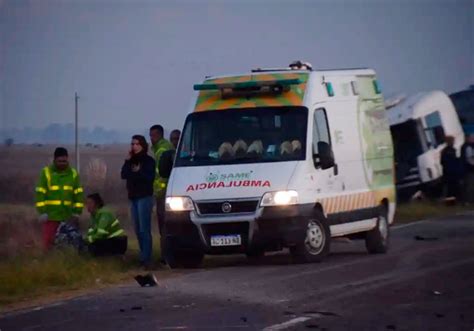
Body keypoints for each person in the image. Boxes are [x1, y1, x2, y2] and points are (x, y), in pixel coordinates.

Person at [35, 147, 84, 250]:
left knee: (68, 244)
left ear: (68, 159)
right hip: (51, 216)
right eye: (60, 161)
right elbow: (40, 194)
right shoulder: (46, 173)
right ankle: (48, 262)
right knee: (48, 244)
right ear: (54, 160)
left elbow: (78, 195)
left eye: (64, 161)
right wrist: (42, 212)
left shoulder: (73, 174)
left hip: (68, 217)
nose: (62, 163)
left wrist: (77, 212)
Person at [121, 135, 155, 268]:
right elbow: (123, 174)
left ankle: (146, 258)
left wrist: (135, 173)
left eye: (136, 144)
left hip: (144, 196)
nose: (134, 146)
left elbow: (148, 177)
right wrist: (128, 161)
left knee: (144, 229)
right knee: (137, 229)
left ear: (142, 145)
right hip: (133, 197)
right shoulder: (131, 161)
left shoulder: (148, 161)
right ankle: (142, 255)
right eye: (132, 144)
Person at [149, 125, 174, 239]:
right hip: (163, 192)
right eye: (150, 136)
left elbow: (162, 173)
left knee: (164, 223)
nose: (151, 138)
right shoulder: (161, 148)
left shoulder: (162, 150)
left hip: (163, 192)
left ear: (159, 135)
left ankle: (166, 252)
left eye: (153, 136)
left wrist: (159, 190)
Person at [440, 136, 462, 200]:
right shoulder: (449, 151)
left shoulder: (447, 150)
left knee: (451, 190)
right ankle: (453, 202)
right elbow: (445, 162)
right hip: (451, 174)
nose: (453, 142)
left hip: (449, 173)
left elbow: (442, 162)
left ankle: (452, 203)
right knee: (452, 189)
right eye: (452, 141)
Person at [461, 134, 474, 203]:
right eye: (471, 138)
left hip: (468, 169)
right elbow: (469, 159)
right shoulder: (467, 147)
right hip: (469, 170)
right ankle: (469, 201)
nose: (473, 139)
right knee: (470, 186)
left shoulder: (467, 146)